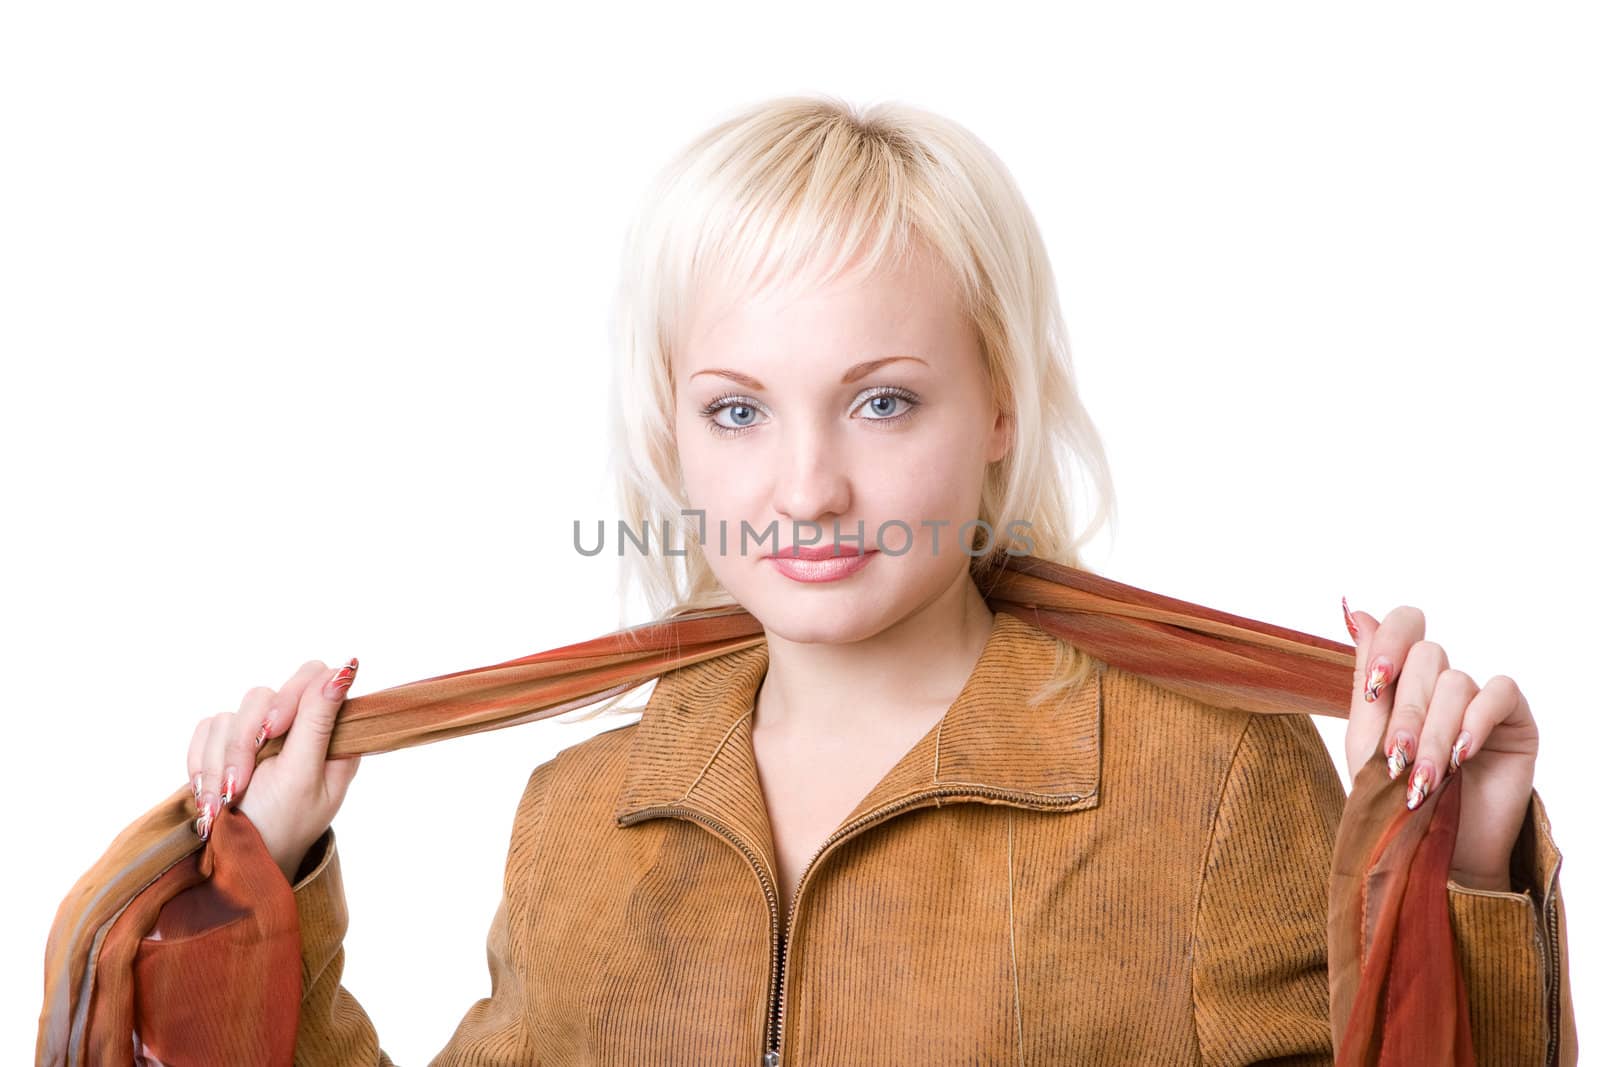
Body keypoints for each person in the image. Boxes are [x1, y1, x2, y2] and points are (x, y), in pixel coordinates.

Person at [180, 95, 1573, 1065]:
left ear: (1003, 413)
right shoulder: (578, 820)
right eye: (738, 410)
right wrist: (277, 872)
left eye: (884, 403)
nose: (806, 488)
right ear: (674, 435)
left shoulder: (1210, 783)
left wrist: (1468, 874)